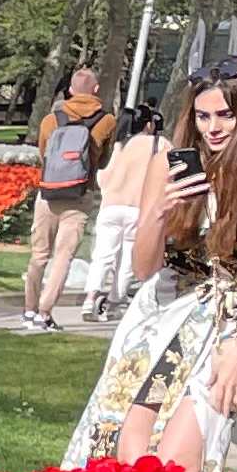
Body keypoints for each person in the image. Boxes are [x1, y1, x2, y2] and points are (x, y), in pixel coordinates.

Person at [63, 59, 237, 472]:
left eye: (226, 115)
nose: (213, 128)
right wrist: (157, 216)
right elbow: (145, 268)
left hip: (231, 324)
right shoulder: (172, 164)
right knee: (126, 452)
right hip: (164, 312)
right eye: (203, 116)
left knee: (177, 463)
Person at [22, 66, 114, 328]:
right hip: (80, 193)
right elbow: (104, 161)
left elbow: (43, 154)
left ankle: (28, 308)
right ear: (96, 90)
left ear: (71, 90)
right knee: (63, 256)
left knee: (39, 254)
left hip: (48, 192)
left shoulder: (52, 119)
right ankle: (44, 312)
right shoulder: (106, 120)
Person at [83, 102, 168, 318]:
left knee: (102, 256)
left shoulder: (122, 145)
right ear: (149, 124)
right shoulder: (160, 144)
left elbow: (104, 177)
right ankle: (114, 302)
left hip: (111, 206)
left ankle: (90, 299)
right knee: (127, 260)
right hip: (137, 209)